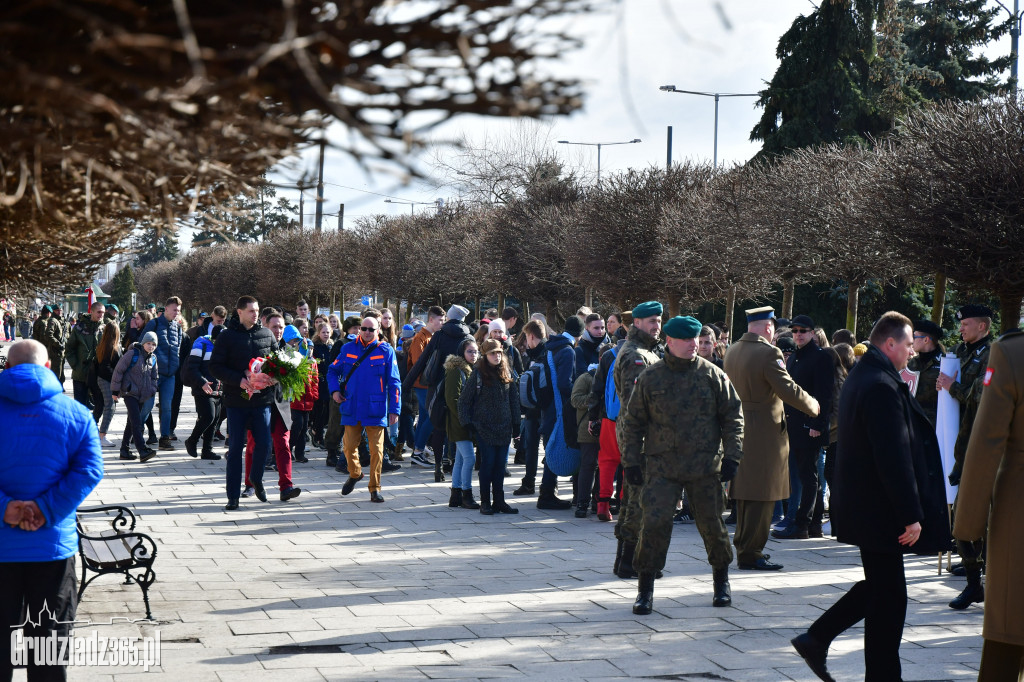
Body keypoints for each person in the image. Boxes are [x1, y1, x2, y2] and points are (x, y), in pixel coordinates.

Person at [791, 311, 951, 682]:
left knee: (885, 591)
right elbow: (891, 456)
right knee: (889, 596)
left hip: (870, 508)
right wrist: (911, 514)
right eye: (909, 344)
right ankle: (827, 643)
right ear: (890, 343)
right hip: (880, 511)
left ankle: (822, 641)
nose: (912, 352)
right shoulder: (879, 383)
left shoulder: (869, 375)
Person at [618, 316, 744, 613]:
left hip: (705, 467)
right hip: (662, 468)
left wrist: (733, 456)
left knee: (713, 526)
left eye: (696, 339)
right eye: (687, 340)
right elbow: (633, 422)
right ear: (670, 342)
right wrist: (631, 462)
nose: (693, 345)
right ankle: (645, 588)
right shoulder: (651, 377)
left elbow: (733, 417)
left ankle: (721, 582)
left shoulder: (713, 375)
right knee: (654, 526)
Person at [0, 340, 104, 681]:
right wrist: (44, 509)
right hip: (52, 548)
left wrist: (7, 509)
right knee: (47, 647)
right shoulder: (76, 412)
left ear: (7, 368)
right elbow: (89, 470)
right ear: (48, 368)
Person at [723, 306, 819, 572]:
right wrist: (813, 405)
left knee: (745, 493)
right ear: (768, 327)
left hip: (739, 427)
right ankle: (751, 552)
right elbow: (786, 388)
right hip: (763, 431)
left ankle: (744, 546)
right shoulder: (769, 352)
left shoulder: (732, 349)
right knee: (763, 495)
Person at [953, 326, 1024, 681]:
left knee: (1009, 631)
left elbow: (985, 445)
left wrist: (966, 525)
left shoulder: (1012, 353)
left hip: (1018, 514)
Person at [939, 303, 994, 611]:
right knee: (961, 518)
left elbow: (980, 396)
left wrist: (952, 386)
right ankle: (975, 582)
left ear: (982, 327)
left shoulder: (990, 355)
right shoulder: (962, 352)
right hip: (963, 446)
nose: (960, 328)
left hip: (980, 447)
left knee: (966, 517)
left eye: (967, 324)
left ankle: (977, 583)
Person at [209, 296, 277, 511]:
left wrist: (274, 376)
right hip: (236, 401)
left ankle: (256, 479)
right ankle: (233, 497)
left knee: (265, 444)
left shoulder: (266, 334)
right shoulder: (227, 336)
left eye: (257, 310)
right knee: (236, 448)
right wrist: (239, 379)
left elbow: (278, 361)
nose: (255, 314)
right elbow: (216, 366)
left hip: (262, 400)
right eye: (250, 311)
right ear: (239, 312)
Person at [612, 301, 664, 579]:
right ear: (638, 323)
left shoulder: (643, 351)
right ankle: (630, 561)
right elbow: (636, 405)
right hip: (640, 437)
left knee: (633, 498)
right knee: (638, 500)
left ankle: (624, 559)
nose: (657, 326)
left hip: (641, 436)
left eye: (659, 321)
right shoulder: (636, 356)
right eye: (652, 321)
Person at [772, 313, 834, 540]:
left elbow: (824, 395)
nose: (798, 335)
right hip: (796, 426)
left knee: (809, 477)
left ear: (812, 333)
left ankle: (803, 525)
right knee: (806, 476)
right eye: (795, 331)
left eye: (803, 331)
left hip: (810, 426)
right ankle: (813, 523)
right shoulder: (795, 357)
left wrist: (818, 424)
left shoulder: (821, 357)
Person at [328, 314, 401, 502]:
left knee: (377, 451)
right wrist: (335, 391)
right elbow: (332, 370)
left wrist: (394, 409)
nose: (367, 332)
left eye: (371, 329)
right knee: (349, 447)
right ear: (359, 329)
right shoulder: (347, 348)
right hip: (351, 405)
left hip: (375, 409)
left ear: (378, 331)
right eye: (364, 328)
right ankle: (355, 473)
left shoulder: (386, 351)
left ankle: (374, 488)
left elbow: (394, 382)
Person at [242, 312, 301, 502]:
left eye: (281, 327)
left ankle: (286, 486)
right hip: (259, 403)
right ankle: (250, 484)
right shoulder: (257, 346)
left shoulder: (290, 352)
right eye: (274, 326)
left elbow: (295, 378)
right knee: (254, 444)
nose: (278, 330)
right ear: (265, 325)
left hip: (281, 404)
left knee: (283, 444)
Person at [458, 338, 521, 515]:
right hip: (484, 428)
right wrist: (468, 423)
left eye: (499, 353)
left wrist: (517, 424)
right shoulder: (477, 374)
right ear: (485, 355)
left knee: (500, 466)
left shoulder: (507, 372)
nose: (497, 356)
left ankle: (499, 501)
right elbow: (463, 401)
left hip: (504, 427)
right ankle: (486, 501)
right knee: (488, 465)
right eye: (493, 353)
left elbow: (513, 400)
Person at [110, 330, 160, 462]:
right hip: (129, 393)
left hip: (143, 395)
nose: (151, 346)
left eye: (153, 344)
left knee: (131, 422)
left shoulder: (153, 358)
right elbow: (118, 371)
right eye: (148, 343)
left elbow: (155, 377)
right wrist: (115, 391)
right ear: (143, 343)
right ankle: (142, 450)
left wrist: (152, 390)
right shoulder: (132, 354)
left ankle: (124, 450)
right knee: (137, 422)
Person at [142, 295, 183, 451]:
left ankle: (164, 438)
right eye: (174, 310)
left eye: (178, 311)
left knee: (167, 407)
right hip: (152, 373)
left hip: (169, 374)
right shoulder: (154, 323)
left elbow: (177, 347)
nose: (176, 313)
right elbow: (142, 344)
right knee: (147, 406)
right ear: (166, 309)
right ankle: (136, 431)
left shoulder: (177, 327)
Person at [406, 306, 445, 468]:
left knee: (424, 417)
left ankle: (418, 450)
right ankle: (417, 452)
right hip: (422, 384)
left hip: (426, 383)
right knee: (430, 416)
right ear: (431, 320)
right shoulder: (420, 338)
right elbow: (418, 363)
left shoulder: (431, 336)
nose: (442, 323)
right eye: (440, 320)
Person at [444, 338, 481, 509]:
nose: (473, 355)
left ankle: (456, 495)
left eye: (475, 351)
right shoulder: (456, 370)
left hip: (465, 420)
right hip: (459, 422)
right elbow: (452, 399)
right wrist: (465, 419)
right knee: (469, 458)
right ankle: (467, 493)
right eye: (469, 351)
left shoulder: (469, 370)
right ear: (462, 353)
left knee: (459, 459)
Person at [181, 323, 225, 460]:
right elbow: (192, 368)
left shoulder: (225, 348)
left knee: (215, 420)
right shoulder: (201, 344)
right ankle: (192, 440)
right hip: (202, 389)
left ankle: (207, 450)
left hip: (219, 389)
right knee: (208, 417)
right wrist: (202, 382)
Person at [571, 355, 601, 518]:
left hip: (608, 426)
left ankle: (599, 501)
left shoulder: (614, 375)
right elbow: (575, 400)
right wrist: (595, 398)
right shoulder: (586, 378)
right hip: (587, 429)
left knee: (605, 466)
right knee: (588, 465)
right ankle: (582, 502)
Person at [66, 302, 106, 423]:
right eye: (99, 312)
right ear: (92, 311)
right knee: (80, 405)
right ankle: (81, 428)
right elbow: (69, 349)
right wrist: (75, 366)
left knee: (101, 402)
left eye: (103, 312)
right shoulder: (79, 328)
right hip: (81, 373)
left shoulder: (104, 328)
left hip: (98, 373)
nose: (101, 315)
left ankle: (93, 423)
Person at [285, 324, 318, 465]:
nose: (309, 351)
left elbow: (315, 380)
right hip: (295, 399)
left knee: (304, 428)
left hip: (307, 399)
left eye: (311, 349)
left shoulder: (312, 362)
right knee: (296, 425)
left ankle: (300, 453)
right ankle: (289, 449)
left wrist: (314, 394)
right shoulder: (292, 356)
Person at [908, 319, 944, 426]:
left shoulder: (945, 363)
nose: (911, 341)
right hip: (913, 420)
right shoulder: (912, 363)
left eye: (914, 337)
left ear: (926, 340)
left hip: (935, 423)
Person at [93, 321, 123, 448]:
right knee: (109, 406)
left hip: (102, 379)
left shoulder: (104, 345)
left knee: (103, 406)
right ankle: (102, 436)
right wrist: (116, 380)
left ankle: (97, 434)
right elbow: (106, 367)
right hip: (106, 380)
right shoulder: (110, 347)